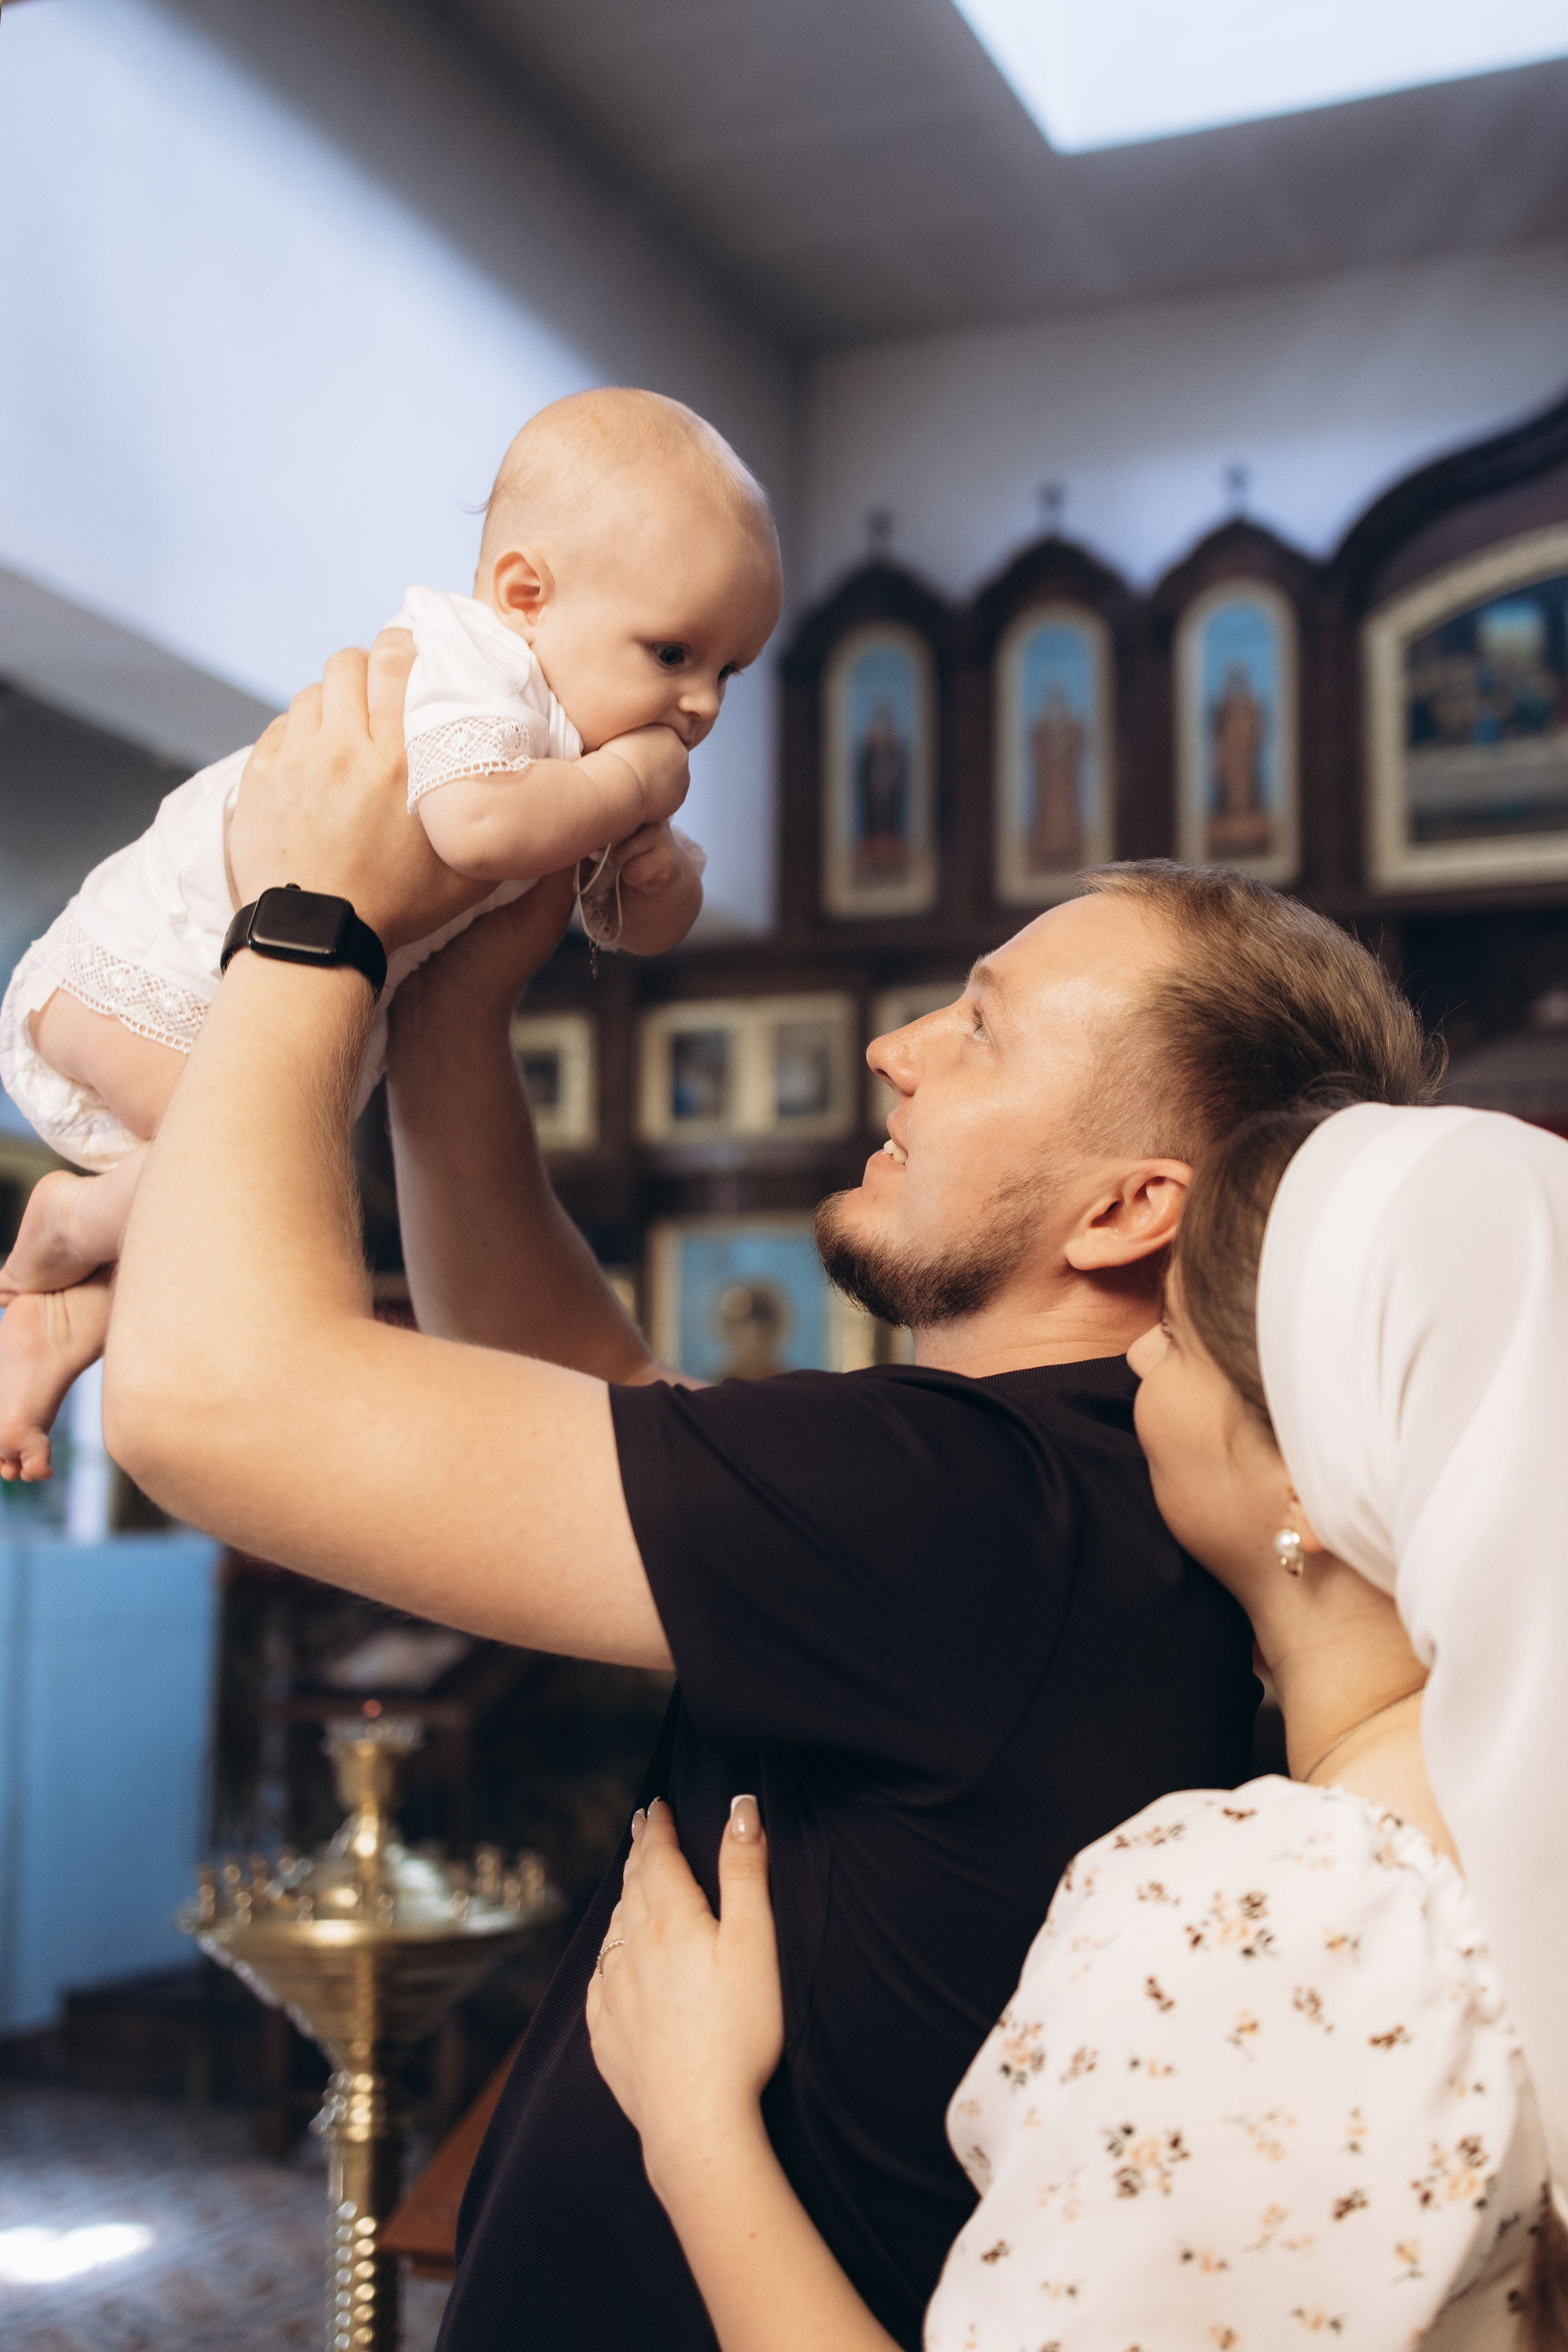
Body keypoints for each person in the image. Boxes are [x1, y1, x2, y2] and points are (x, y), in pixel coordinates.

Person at [102, 639, 1437, 2351]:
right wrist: (455, 1014)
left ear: (1127, 1211)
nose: (895, 1048)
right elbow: (592, 1421)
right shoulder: (1045, 1491)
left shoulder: (971, 1509)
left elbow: (216, 1401)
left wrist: (312, 921)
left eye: (980, 1028)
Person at [586, 1098, 1568, 2350]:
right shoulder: (1500, 1829)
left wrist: (692, 2123)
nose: (1139, 1360)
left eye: (1179, 1334)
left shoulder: (1283, 1915)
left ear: (1311, 1483)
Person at [0, 387, 780, 1479]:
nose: (699, 705)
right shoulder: (476, 667)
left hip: (270, 991)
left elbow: (638, 929)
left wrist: (659, 874)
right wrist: (628, 783)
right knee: (254, 1187)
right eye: (674, 653)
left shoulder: (594, 754)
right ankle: (70, 1226)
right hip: (152, 961)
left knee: (223, 1199)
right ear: (524, 593)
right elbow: (479, 824)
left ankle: (66, 1323)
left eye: (729, 671)